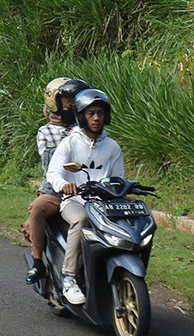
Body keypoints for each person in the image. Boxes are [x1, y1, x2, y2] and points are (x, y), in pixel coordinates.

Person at [45, 88, 124, 306]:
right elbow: (53, 172)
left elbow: (117, 178)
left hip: (103, 206)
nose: (97, 118)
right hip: (74, 202)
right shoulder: (70, 142)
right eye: (91, 113)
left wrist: (123, 191)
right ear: (81, 116)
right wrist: (64, 185)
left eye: (100, 113)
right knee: (81, 220)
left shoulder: (112, 146)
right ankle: (69, 277)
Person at [22, 77, 90, 284]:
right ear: (55, 102)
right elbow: (52, 162)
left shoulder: (86, 128)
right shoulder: (46, 132)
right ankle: (37, 263)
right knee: (38, 208)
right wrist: (73, 136)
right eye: (67, 99)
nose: (71, 103)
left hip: (85, 188)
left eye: (75, 99)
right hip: (56, 190)